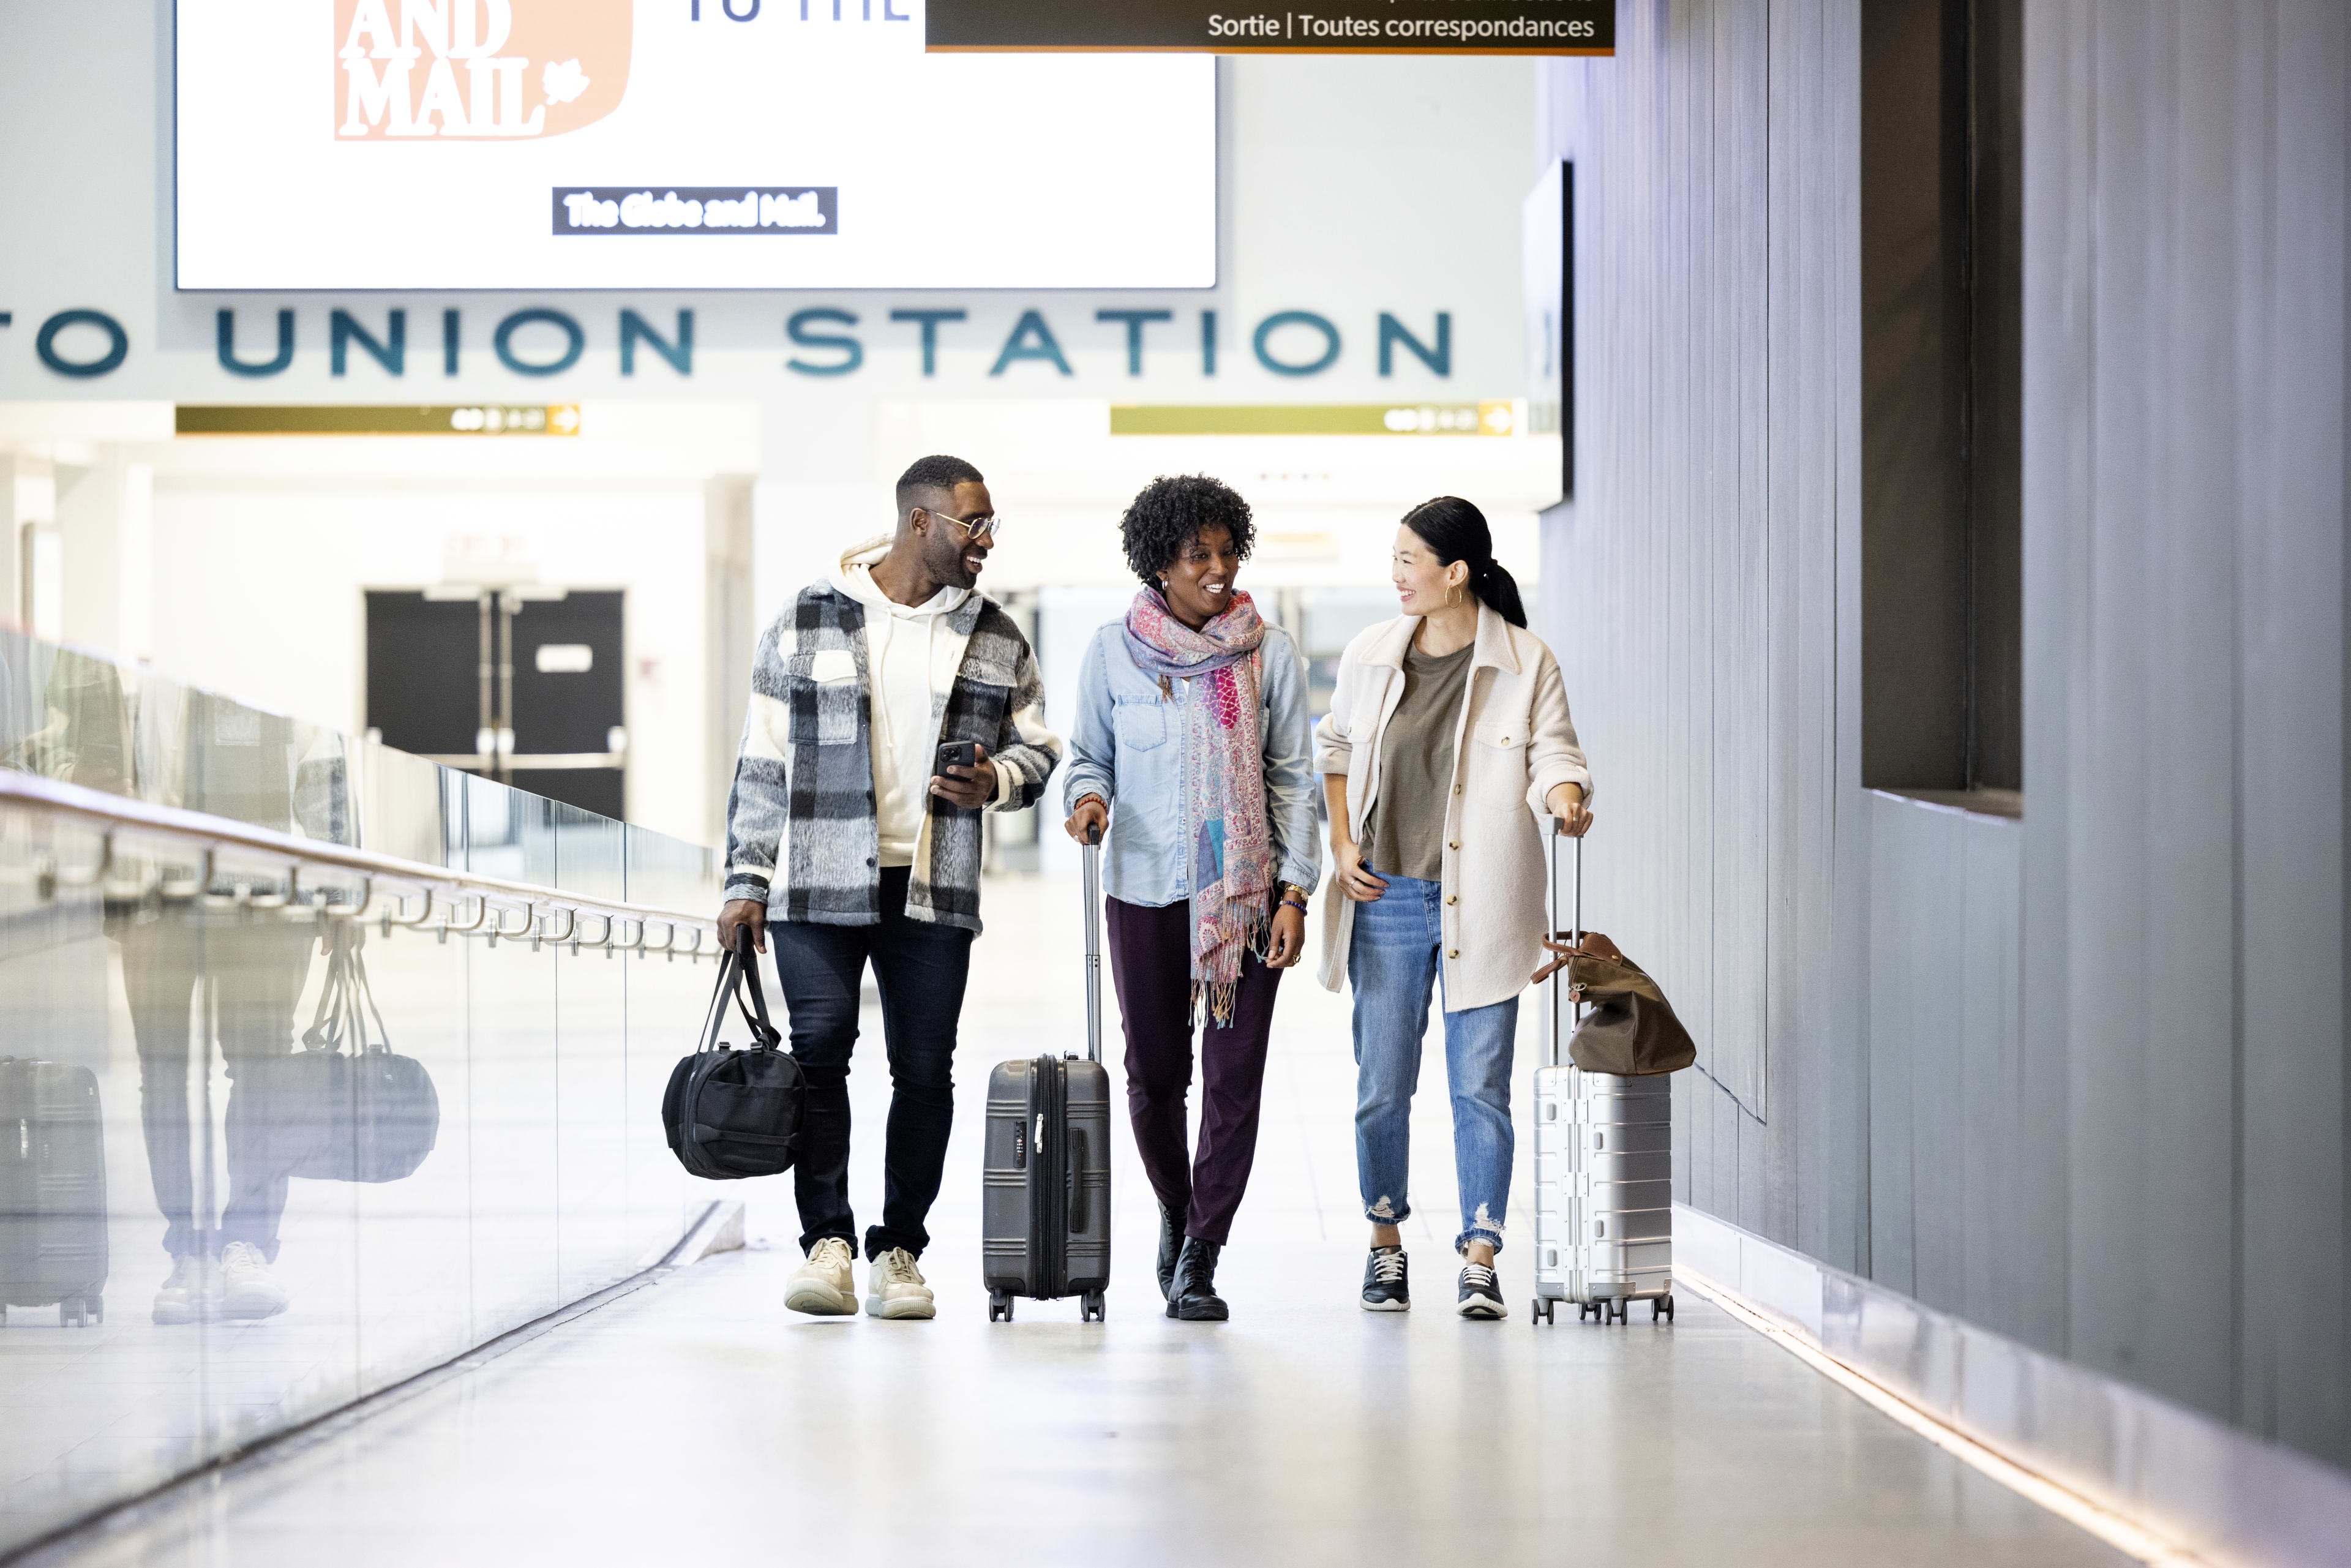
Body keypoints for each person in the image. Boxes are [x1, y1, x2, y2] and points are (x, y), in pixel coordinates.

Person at [718, 455, 1060, 1322]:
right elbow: (763, 757)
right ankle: (826, 1244)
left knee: (923, 1068)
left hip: (933, 883)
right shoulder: (809, 617)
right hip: (817, 880)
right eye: (972, 523)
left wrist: (1000, 783)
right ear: (920, 523)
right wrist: (743, 880)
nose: (986, 539)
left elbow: (1040, 745)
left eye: (989, 525)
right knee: (820, 1051)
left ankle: (899, 1249)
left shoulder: (995, 633)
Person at [1313, 497, 1593, 1318]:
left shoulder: (1524, 659)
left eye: (1409, 560)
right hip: (1387, 894)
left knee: (1479, 1088)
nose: (1396, 574)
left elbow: (1554, 751)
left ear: (1455, 572)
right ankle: (1386, 1241)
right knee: (1381, 1087)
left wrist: (1567, 795)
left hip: (1486, 902)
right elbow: (1334, 750)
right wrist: (1340, 842)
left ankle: (1480, 1254)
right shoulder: (1371, 653)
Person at [1060, 475, 1321, 1322]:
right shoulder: (1112, 650)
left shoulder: (1266, 652)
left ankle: (1203, 1251)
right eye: (1196, 554)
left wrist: (1294, 891)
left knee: (1233, 1078)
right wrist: (1088, 800)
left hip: (1243, 895)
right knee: (1154, 1076)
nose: (1218, 568)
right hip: (1143, 887)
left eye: (1227, 550)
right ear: (1158, 563)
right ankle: (1175, 1202)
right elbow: (1086, 755)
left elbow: (1292, 780)